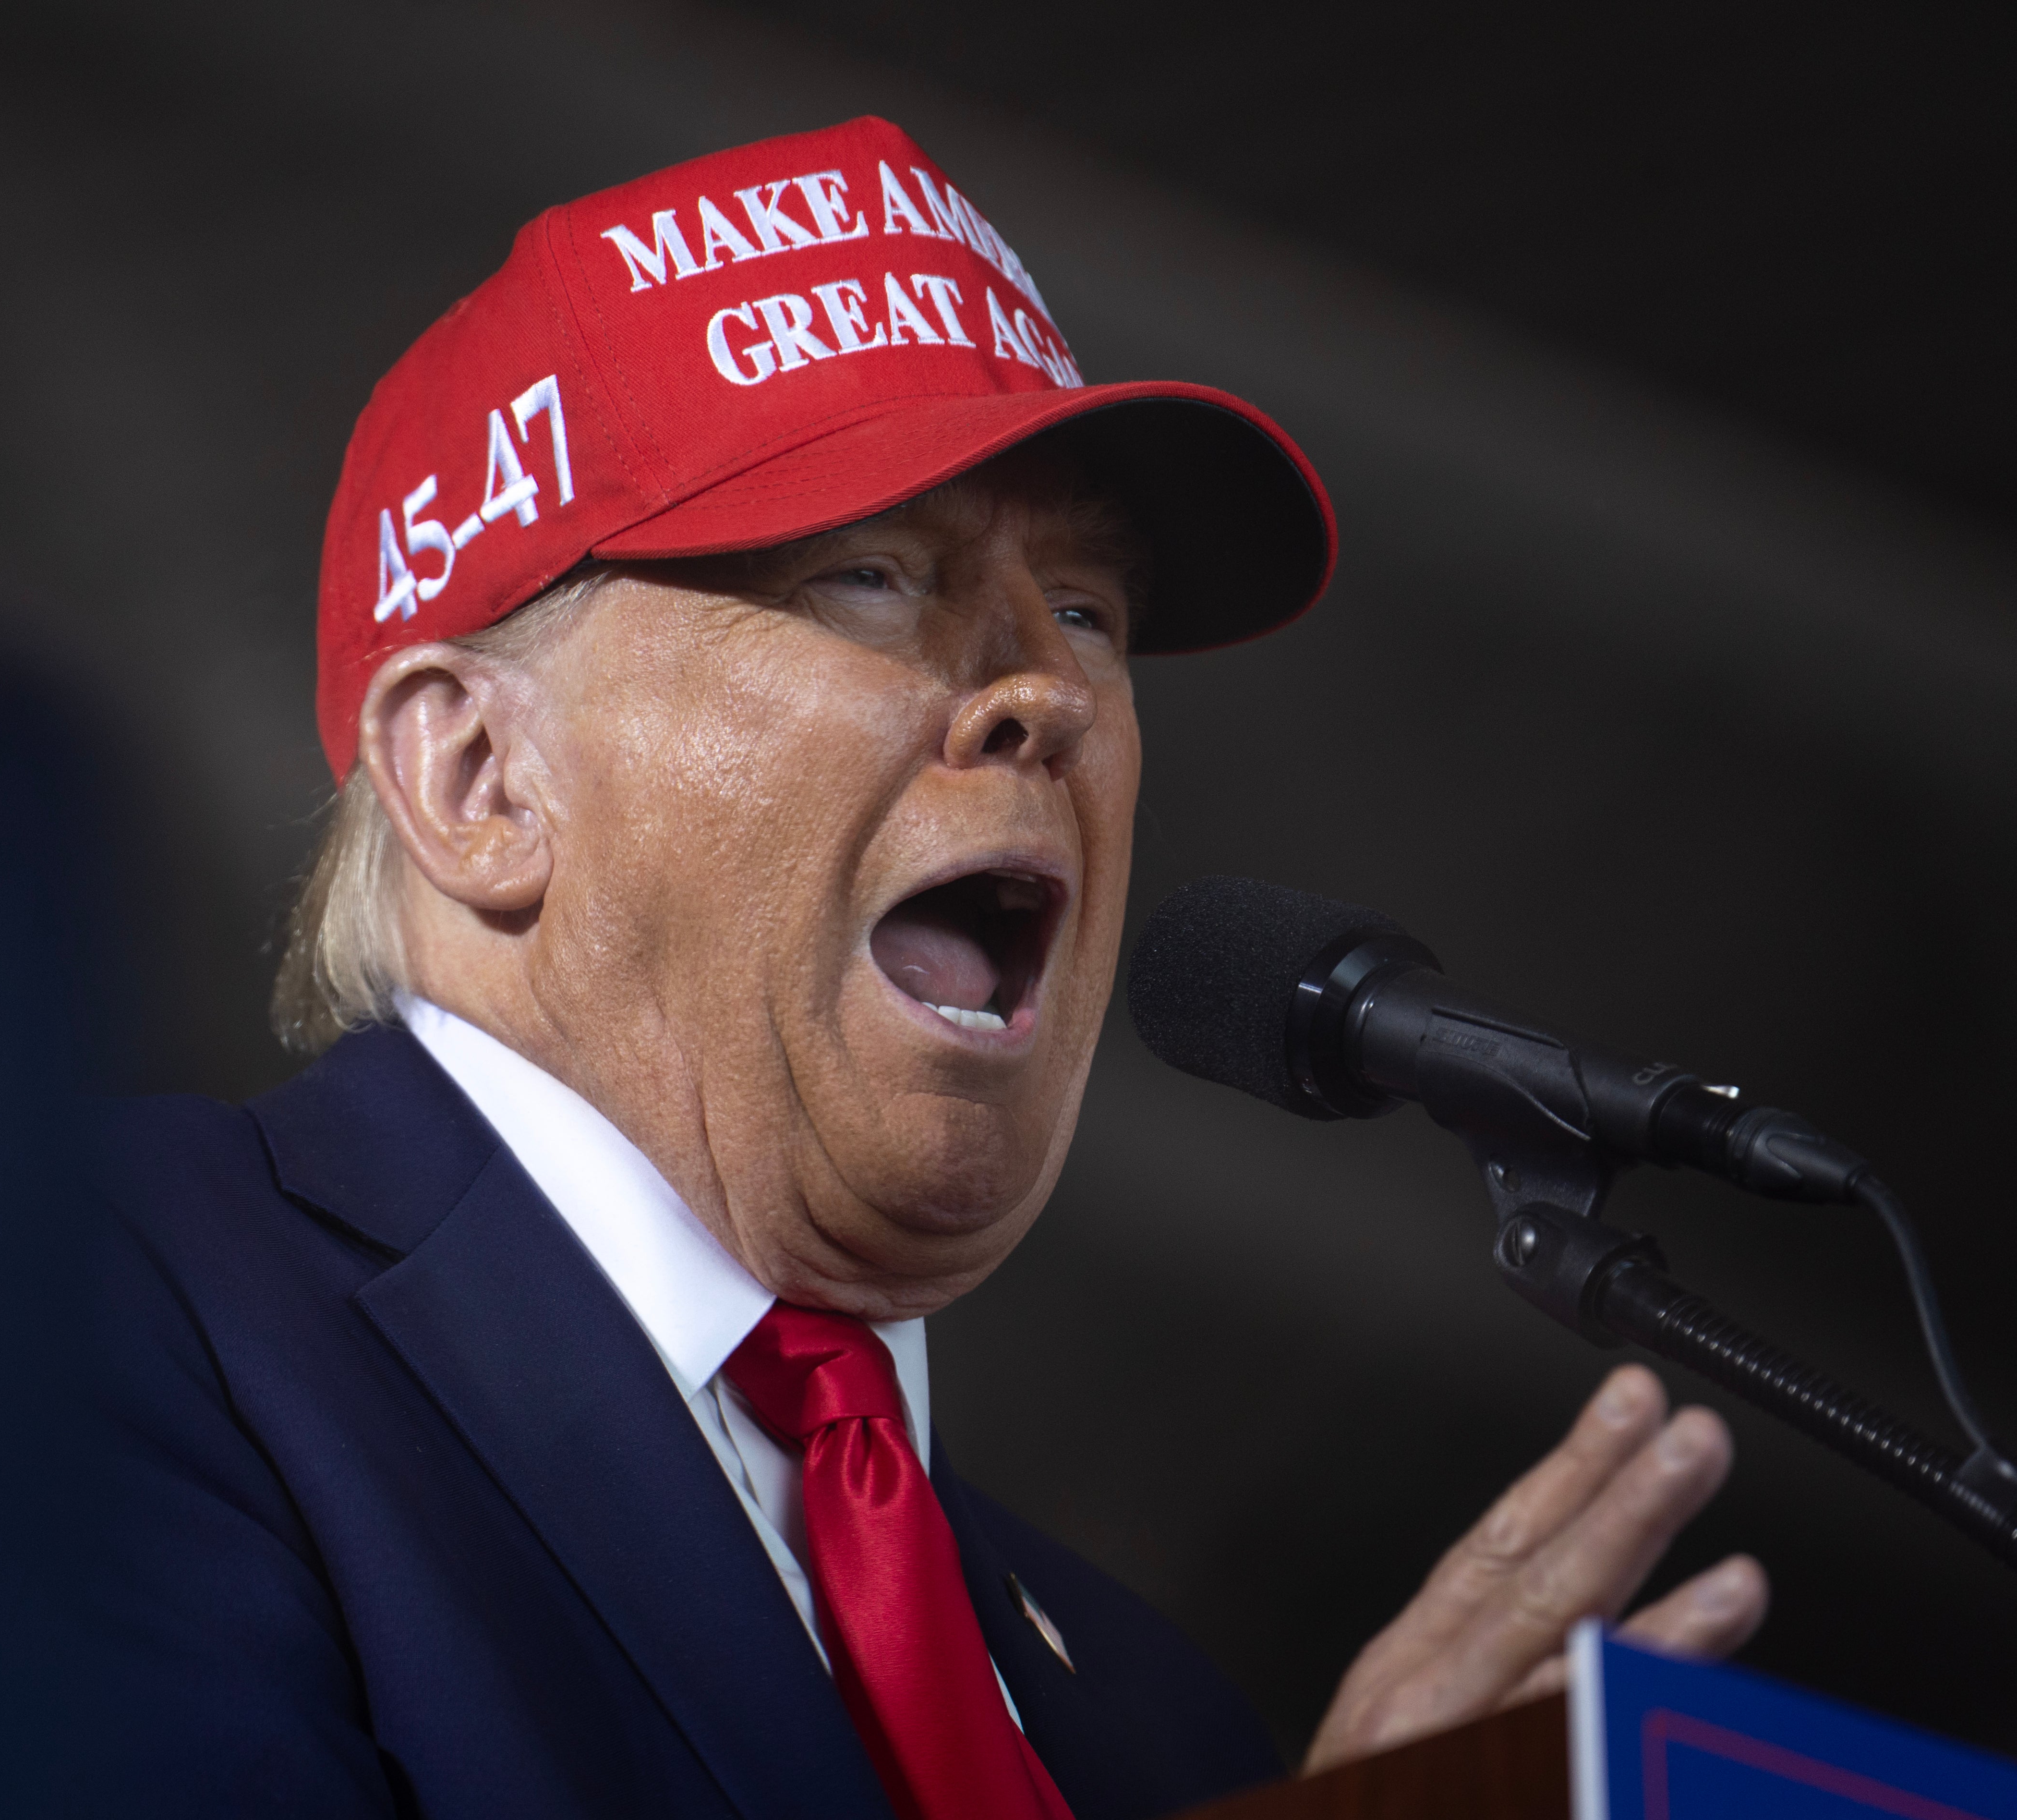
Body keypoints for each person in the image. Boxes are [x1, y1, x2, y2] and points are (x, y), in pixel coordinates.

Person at [94, 117, 1770, 1818]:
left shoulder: (1155, 1728)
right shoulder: (106, 1302)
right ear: (480, 780)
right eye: (874, 576)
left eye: (1093, 611)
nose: (1051, 690)